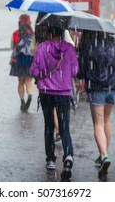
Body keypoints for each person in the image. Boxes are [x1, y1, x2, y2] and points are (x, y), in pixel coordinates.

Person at [30, 24, 79, 181]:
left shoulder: (42, 47)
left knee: (49, 125)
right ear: (63, 33)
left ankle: (51, 159)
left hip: (46, 93)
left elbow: (34, 71)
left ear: (50, 33)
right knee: (64, 127)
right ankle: (69, 155)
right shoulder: (70, 49)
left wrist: (43, 74)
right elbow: (75, 72)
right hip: (64, 93)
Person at [77, 30, 115, 178]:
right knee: (106, 120)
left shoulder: (89, 45)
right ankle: (104, 154)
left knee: (98, 124)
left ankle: (104, 156)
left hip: (97, 87)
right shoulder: (114, 43)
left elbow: (82, 68)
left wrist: (81, 76)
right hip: (113, 87)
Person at [10, 14, 34, 110]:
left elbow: (12, 47)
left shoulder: (15, 34)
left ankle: (22, 102)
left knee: (20, 82)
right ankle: (30, 96)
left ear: (19, 23)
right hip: (29, 61)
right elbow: (34, 49)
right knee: (28, 82)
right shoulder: (33, 35)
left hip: (17, 61)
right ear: (29, 23)